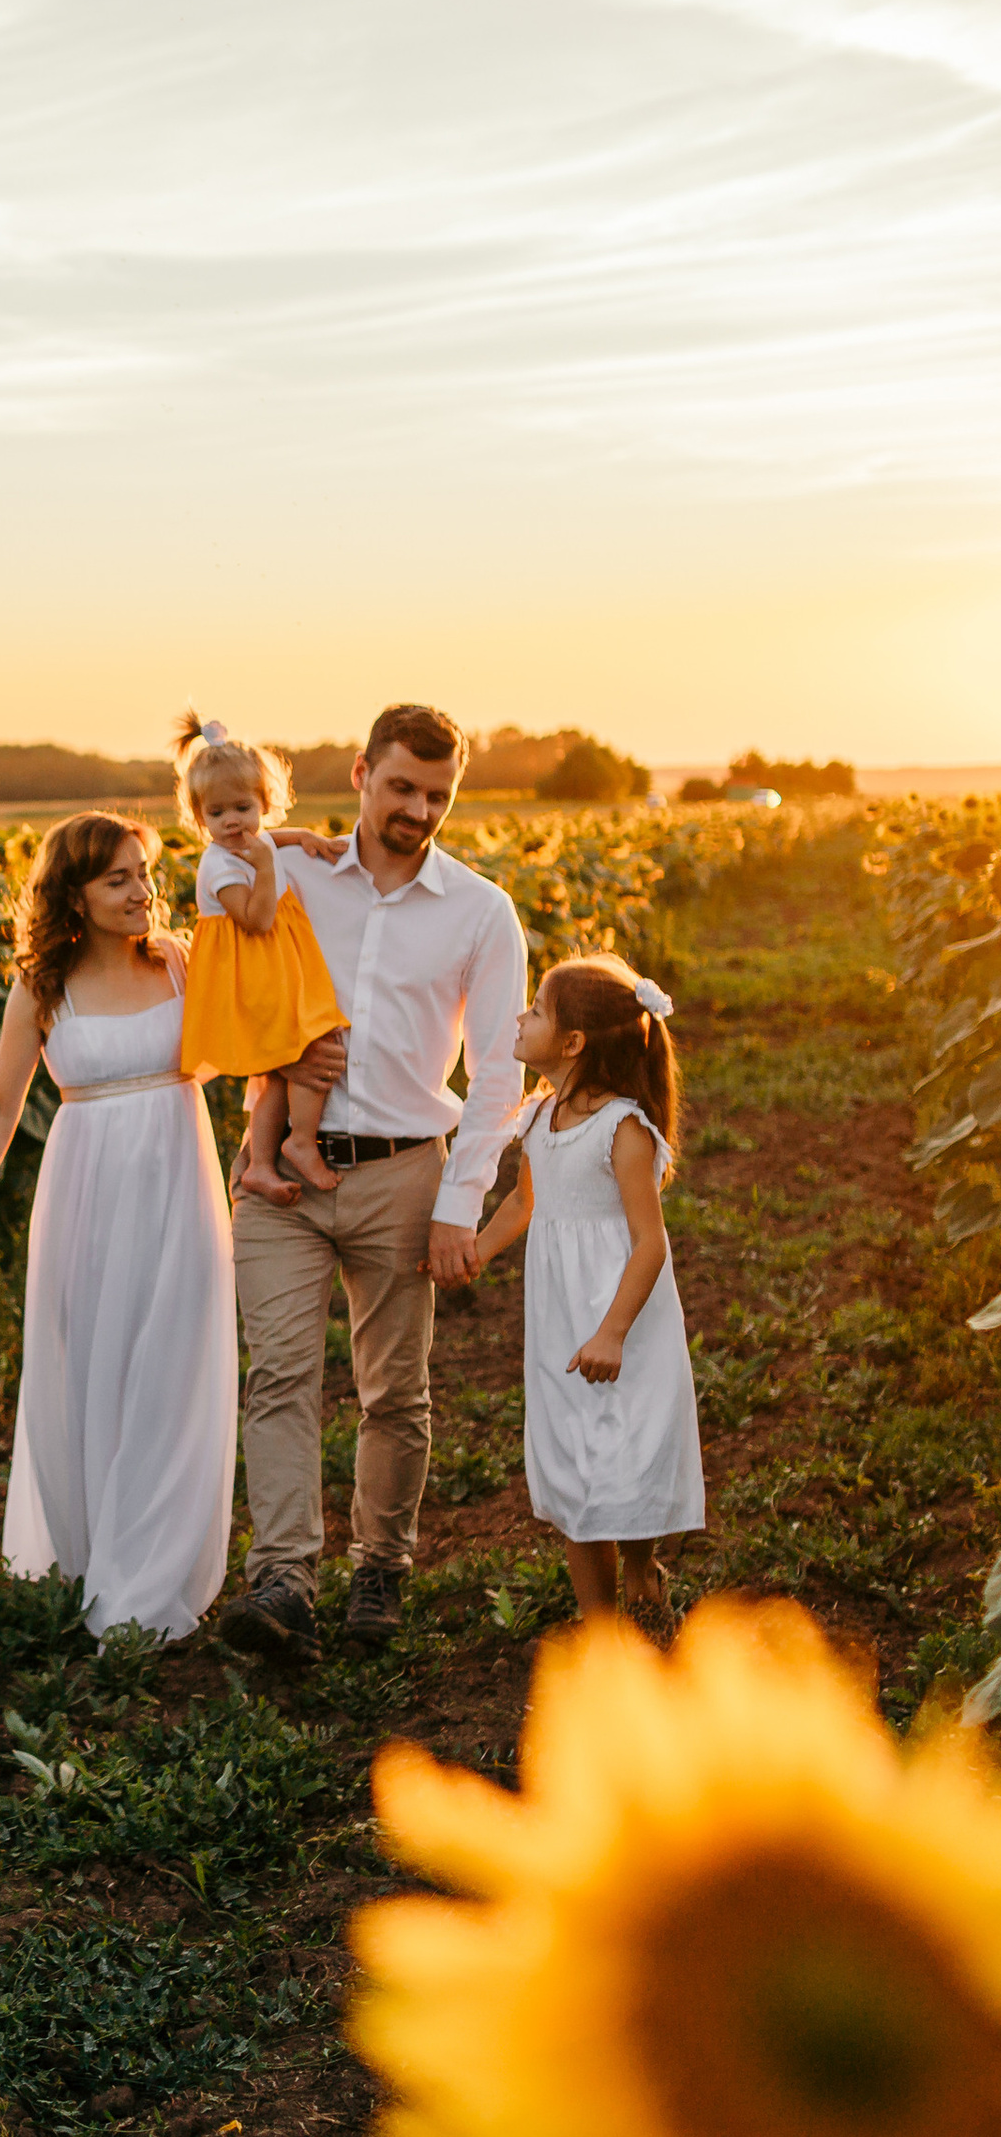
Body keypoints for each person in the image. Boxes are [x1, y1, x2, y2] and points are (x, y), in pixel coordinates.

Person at [0, 812, 313, 1639]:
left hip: (180, 1182)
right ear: (74, 893)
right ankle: (95, 1558)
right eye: (118, 879)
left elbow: (245, 1038)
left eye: (144, 873)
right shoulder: (42, 987)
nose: (142, 890)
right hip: (84, 1193)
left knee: (171, 1374)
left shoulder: (180, 962)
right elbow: (0, 1105)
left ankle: (148, 1583)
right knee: (91, 1368)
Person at [217, 705, 529, 1665]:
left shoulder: (480, 910)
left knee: (395, 1388)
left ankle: (380, 1568)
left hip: (405, 1170)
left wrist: (457, 1205)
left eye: (438, 795)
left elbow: (500, 1078)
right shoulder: (294, 870)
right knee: (276, 1376)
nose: (419, 810)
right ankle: (285, 1579)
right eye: (402, 788)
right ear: (360, 773)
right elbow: (215, 890)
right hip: (283, 1179)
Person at [472, 955, 703, 1625]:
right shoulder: (539, 1117)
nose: (522, 1017)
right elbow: (523, 1204)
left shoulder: (622, 1126)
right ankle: (600, 1624)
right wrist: (473, 1253)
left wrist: (612, 1331)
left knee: (624, 1448)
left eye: (537, 1009)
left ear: (572, 1043)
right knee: (572, 1452)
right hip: (559, 1313)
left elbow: (650, 1240)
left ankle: (640, 1570)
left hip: (620, 1308)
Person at [171, 714, 349, 1203]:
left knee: (280, 1068)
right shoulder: (219, 864)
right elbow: (256, 920)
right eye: (217, 812)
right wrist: (269, 864)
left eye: (243, 808)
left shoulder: (256, 840)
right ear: (198, 816)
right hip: (252, 975)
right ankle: (300, 1142)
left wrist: (304, 837)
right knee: (309, 1044)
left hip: (274, 969)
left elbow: (275, 837)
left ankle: (264, 1163)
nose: (232, 822)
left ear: (264, 805)